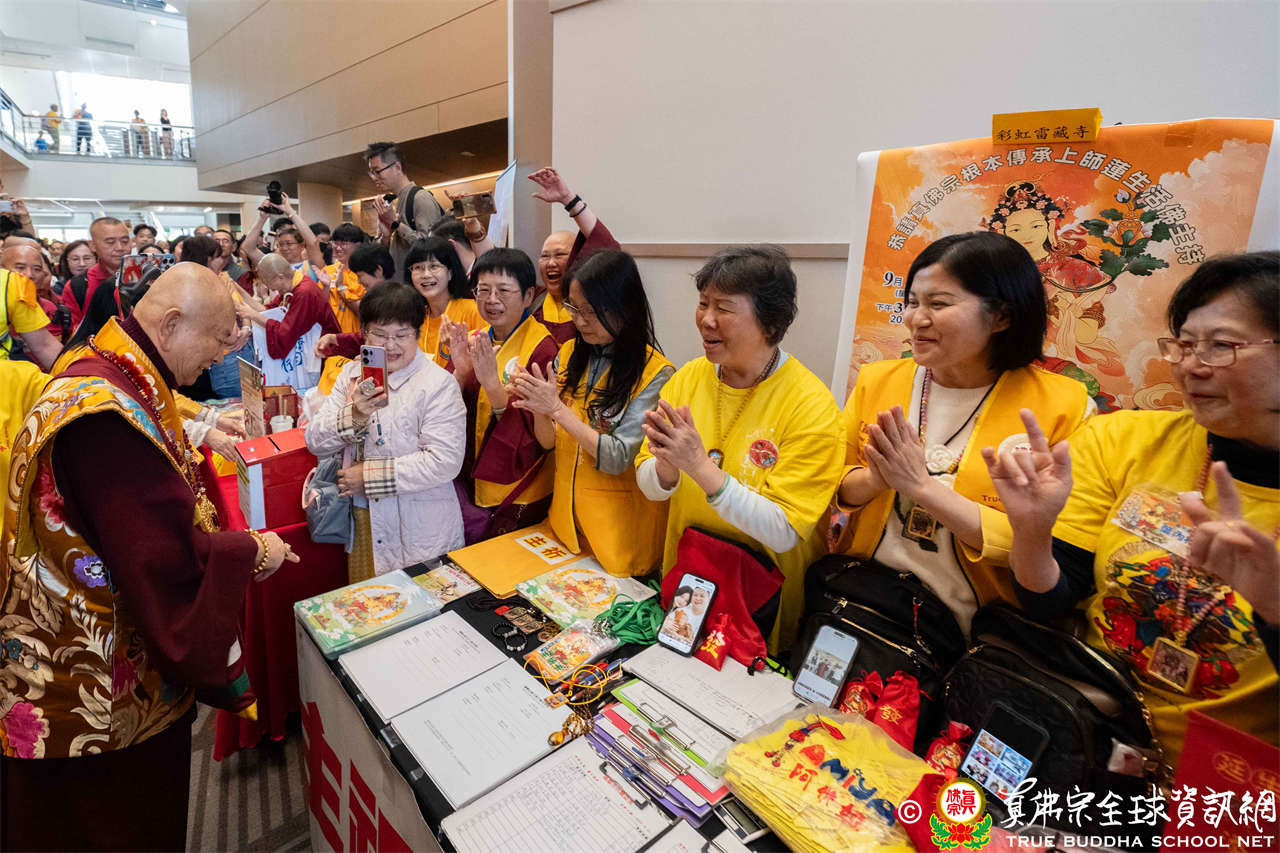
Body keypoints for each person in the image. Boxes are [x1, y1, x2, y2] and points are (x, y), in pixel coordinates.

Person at [0, 263, 297, 851]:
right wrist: (251, 549)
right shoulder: (106, 418)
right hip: (94, 693)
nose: (219, 358)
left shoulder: (103, 368)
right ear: (171, 323)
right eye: (218, 339)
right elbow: (159, 558)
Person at [985, 251, 1279, 768]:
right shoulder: (1121, 439)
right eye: (1184, 344)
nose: (1190, 366)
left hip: (1227, 782)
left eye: (1220, 346)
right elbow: (1051, 602)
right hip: (1086, 739)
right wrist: (1032, 532)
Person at [834, 232, 1092, 631]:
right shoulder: (877, 380)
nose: (917, 318)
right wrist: (874, 480)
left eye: (938, 304)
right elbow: (834, 486)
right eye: (912, 302)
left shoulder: (1065, 406)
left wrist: (922, 487)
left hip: (980, 628)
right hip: (866, 603)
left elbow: (1047, 545)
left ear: (1002, 316)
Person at [635, 245, 843, 651]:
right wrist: (666, 468)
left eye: (724, 308)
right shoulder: (688, 378)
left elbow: (784, 531)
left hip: (761, 602)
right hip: (687, 586)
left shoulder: (811, 405)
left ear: (770, 321)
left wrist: (699, 467)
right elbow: (650, 485)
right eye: (703, 303)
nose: (706, 319)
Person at [509, 249, 673, 577]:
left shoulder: (656, 373)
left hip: (617, 536)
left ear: (625, 307)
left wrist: (557, 409)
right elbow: (549, 443)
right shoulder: (570, 353)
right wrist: (539, 407)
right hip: (565, 527)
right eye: (574, 308)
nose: (580, 321)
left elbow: (617, 457)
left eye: (591, 312)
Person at [306, 283, 466, 580]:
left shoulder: (438, 384)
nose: (390, 345)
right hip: (363, 520)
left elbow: (444, 462)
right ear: (364, 333)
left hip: (421, 526)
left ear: (417, 333)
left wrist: (368, 477)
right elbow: (315, 440)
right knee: (372, 601)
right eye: (380, 334)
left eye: (401, 335)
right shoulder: (351, 375)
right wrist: (355, 414)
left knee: (424, 600)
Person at [445, 248, 558, 537]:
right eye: (483, 290)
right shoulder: (476, 339)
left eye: (504, 290)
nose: (492, 300)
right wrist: (461, 373)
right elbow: (443, 408)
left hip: (518, 490)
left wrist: (493, 386)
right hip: (469, 478)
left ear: (528, 295)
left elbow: (538, 439)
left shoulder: (543, 348)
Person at [237, 252, 340, 390]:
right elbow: (267, 310)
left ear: (280, 276)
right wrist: (236, 289)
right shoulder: (292, 285)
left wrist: (253, 316)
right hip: (306, 352)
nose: (270, 289)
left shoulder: (304, 292)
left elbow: (285, 332)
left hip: (322, 353)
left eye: (269, 283)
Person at [365, 141, 446, 274]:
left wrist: (396, 224)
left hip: (421, 283)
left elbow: (432, 248)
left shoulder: (420, 198)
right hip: (399, 283)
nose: (374, 178)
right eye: (372, 173)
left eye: (377, 171)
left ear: (397, 167)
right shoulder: (394, 201)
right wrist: (385, 237)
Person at [405, 236, 486, 367]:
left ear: (450, 273)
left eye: (434, 266)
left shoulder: (473, 311)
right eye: (418, 267)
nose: (426, 274)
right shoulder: (414, 317)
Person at [241, 192, 326, 284]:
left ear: (301, 245)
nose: (284, 248)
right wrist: (262, 218)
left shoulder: (312, 266)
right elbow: (248, 248)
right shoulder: (273, 265)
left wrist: (289, 211)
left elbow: (313, 242)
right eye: (281, 244)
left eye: (289, 244)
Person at [62, 216, 130, 330]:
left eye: (125, 241)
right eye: (110, 242)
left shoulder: (144, 278)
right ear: (93, 246)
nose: (119, 248)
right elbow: (75, 332)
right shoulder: (78, 286)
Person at [0, 245, 61, 369]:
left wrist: (77, 375)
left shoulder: (12, 284)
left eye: (37, 269)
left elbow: (44, 346)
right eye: (20, 267)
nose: (29, 274)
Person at [321, 223, 369, 335]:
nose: (338, 248)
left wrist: (342, 288)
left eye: (343, 243)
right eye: (335, 243)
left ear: (358, 245)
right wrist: (326, 288)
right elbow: (320, 309)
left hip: (354, 338)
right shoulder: (327, 271)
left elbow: (365, 313)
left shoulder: (365, 275)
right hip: (330, 337)